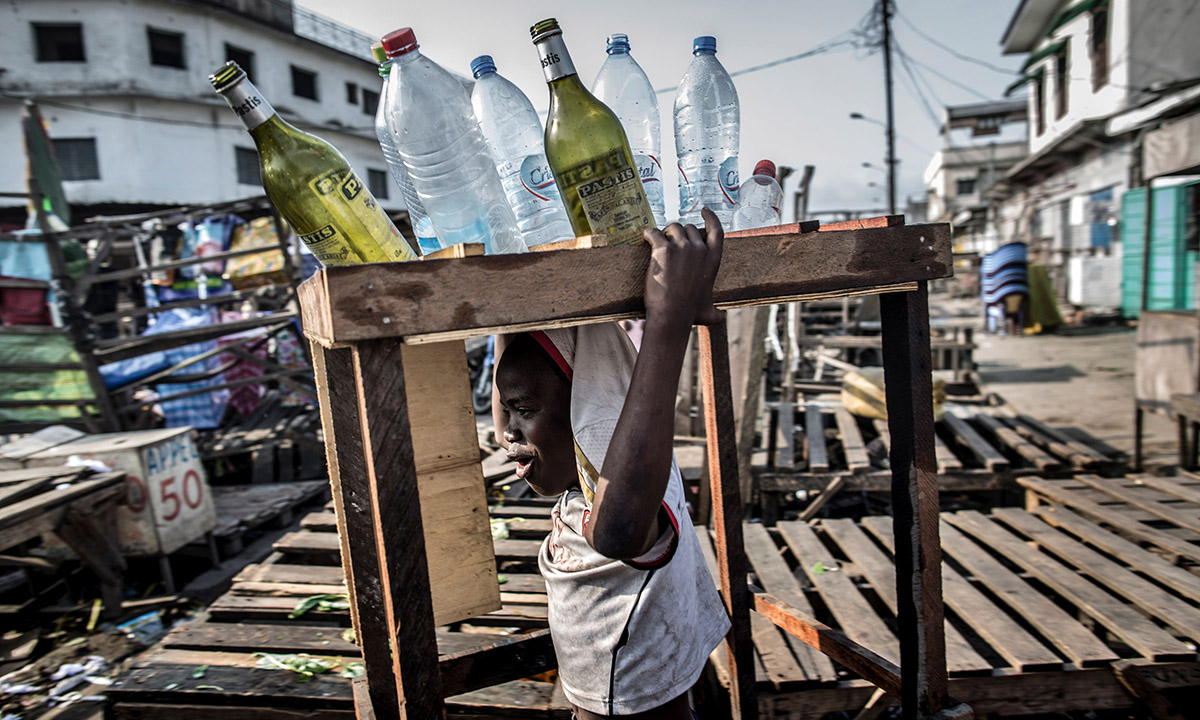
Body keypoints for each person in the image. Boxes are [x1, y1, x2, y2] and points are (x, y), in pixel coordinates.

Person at [492, 207, 730, 718]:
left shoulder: (632, 495)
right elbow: (511, 410)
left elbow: (617, 529)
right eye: (509, 409)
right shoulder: (585, 474)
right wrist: (504, 305)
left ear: (584, 413)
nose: (506, 434)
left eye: (525, 411)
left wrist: (669, 323)